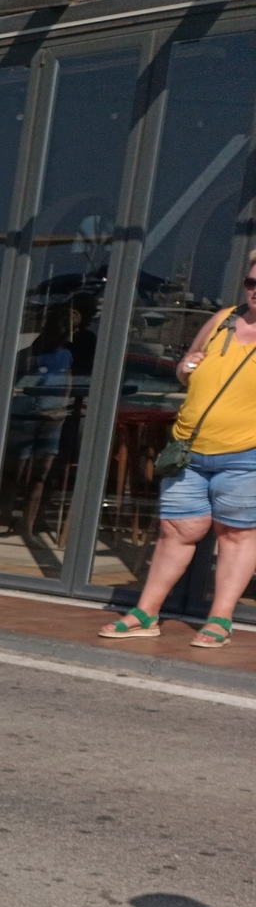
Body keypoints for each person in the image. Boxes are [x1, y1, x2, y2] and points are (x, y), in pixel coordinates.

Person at [100, 263, 256, 649]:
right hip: (189, 448)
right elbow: (188, 364)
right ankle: (146, 613)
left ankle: (220, 618)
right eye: (252, 282)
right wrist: (185, 368)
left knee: (236, 536)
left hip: (244, 454)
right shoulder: (224, 319)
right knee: (176, 530)